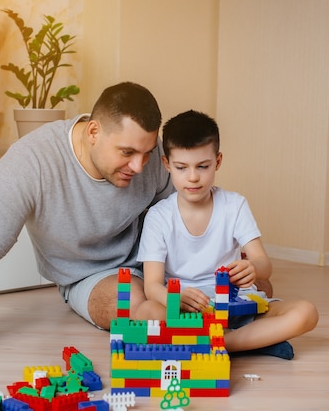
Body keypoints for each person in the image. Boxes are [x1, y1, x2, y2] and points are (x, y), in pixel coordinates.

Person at [0, 82, 174, 373]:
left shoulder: (151, 157)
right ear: (93, 132)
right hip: (91, 275)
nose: (139, 166)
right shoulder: (31, 162)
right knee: (132, 302)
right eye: (127, 152)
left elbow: (182, 213)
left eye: (148, 153)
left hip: (155, 261)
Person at [135, 110, 319, 359]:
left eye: (203, 166)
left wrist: (253, 268)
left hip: (236, 307)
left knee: (306, 313)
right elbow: (152, 286)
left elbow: (264, 265)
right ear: (167, 164)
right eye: (181, 167)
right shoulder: (158, 216)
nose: (193, 177)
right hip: (188, 312)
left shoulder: (234, 205)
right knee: (145, 312)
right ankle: (251, 341)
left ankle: (225, 342)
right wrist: (174, 298)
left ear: (218, 162)